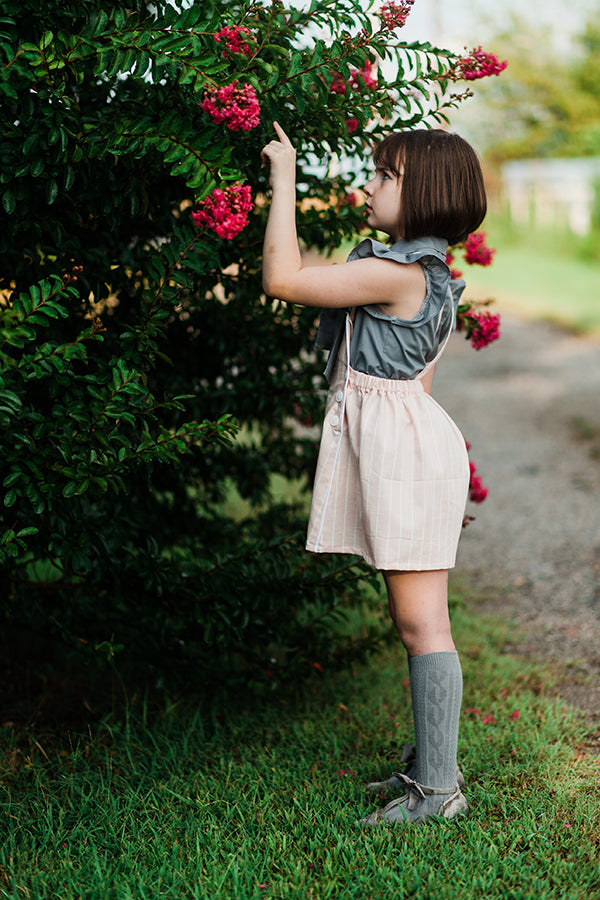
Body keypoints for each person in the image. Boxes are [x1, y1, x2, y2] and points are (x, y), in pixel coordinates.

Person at [260, 122, 487, 825]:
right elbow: (413, 382)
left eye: (384, 175)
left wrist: (284, 176)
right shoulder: (433, 276)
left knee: (423, 623)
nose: (369, 184)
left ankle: (438, 792)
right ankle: (430, 768)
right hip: (411, 450)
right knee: (414, 619)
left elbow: (283, 278)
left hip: (408, 457)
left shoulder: (395, 274)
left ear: (419, 193)